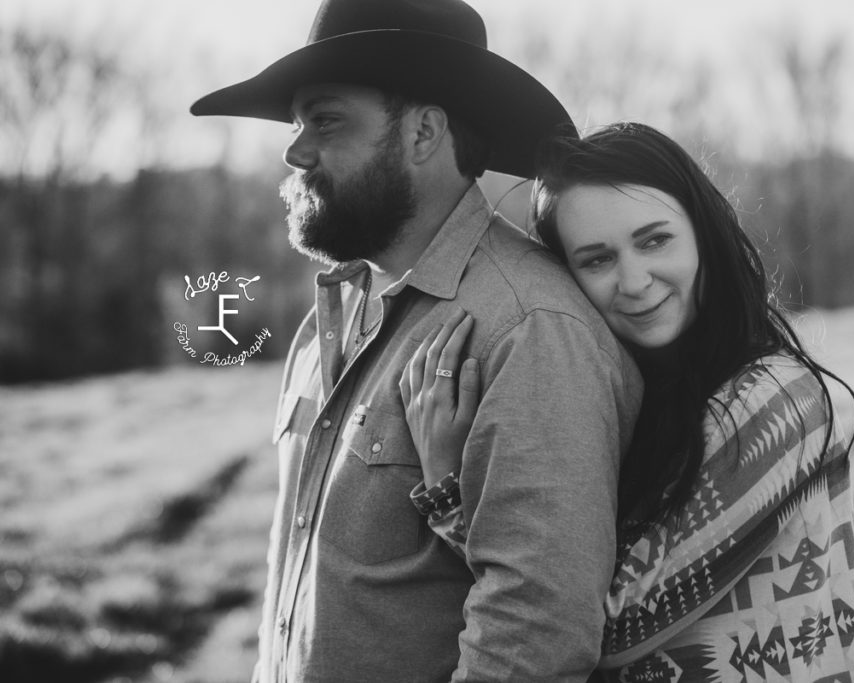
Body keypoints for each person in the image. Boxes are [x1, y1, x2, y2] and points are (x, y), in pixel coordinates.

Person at [190, 1, 643, 681]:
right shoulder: (325, 324)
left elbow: (536, 632)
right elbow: (292, 568)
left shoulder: (527, 329)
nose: (295, 149)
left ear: (424, 131)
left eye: (325, 119)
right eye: (296, 123)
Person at [401, 122, 854, 682]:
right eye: (597, 260)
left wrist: (450, 494)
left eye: (654, 241)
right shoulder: (636, 396)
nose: (633, 280)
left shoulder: (773, 400)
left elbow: (609, 626)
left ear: (703, 231)